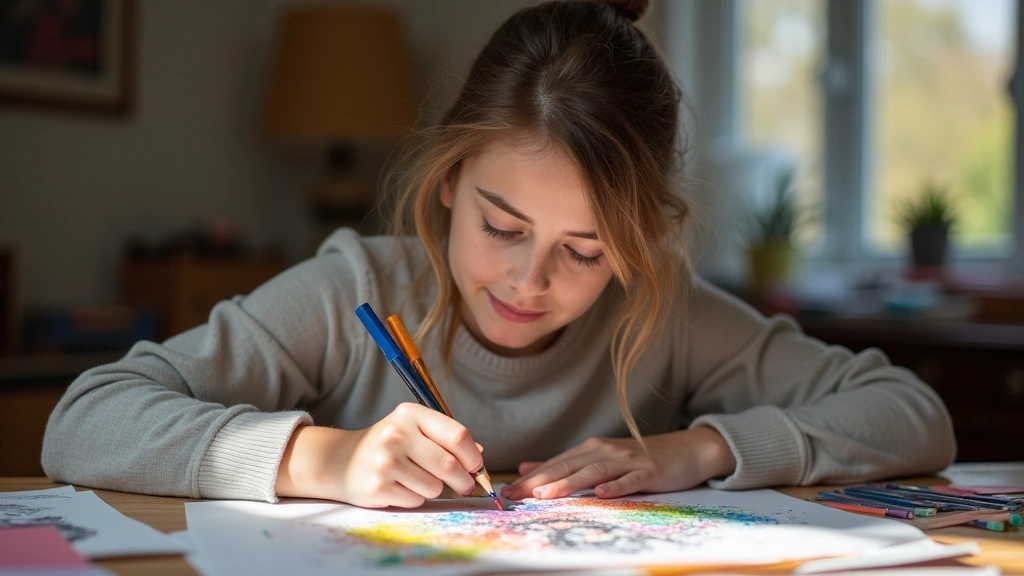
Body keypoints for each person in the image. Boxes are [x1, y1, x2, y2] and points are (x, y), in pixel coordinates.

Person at [42, 0, 955, 509]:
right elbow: (84, 419)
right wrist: (320, 460)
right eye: (504, 228)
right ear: (448, 179)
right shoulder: (355, 288)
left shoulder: (660, 310)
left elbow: (912, 413)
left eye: (587, 251)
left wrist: (702, 448)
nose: (529, 282)